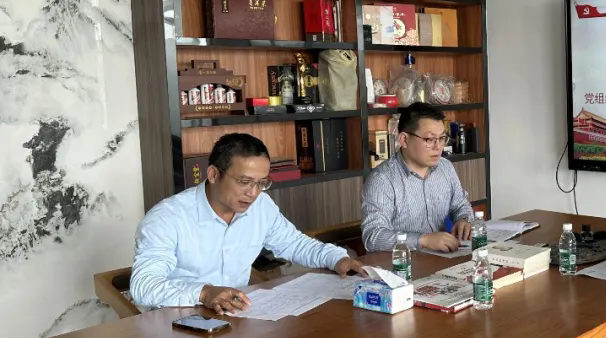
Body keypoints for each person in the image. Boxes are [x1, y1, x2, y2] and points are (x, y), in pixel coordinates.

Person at [130, 133, 365, 314]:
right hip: (179, 321)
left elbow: (294, 243)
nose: (253, 193)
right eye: (244, 182)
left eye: (261, 183)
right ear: (213, 175)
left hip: (237, 315)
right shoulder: (166, 218)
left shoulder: (261, 206)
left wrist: (336, 258)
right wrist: (204, 293)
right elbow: (144, 286)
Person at [361, 102, 474, 253]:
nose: (438, 147)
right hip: (402, 262)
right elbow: (373, 237)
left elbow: (460, 204)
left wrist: (463, 219)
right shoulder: (382, 180)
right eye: (429, 139)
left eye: (442, 138)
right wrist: (424, 240)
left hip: (442, 257)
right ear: (404, 140)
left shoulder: (445, 167)